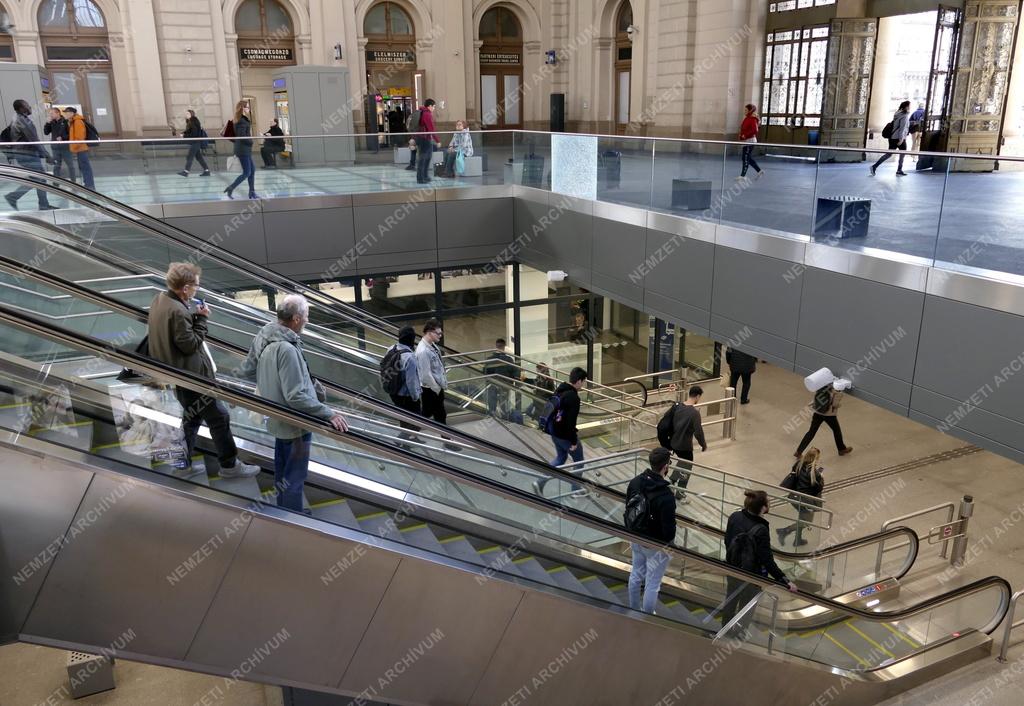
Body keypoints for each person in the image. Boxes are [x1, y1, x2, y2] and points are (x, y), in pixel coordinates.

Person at [147, 262, 259, 479]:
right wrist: (201, 319)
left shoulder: (160, 299)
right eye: (195, 286)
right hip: (193, 377)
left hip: (178, 375)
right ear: (185, 288)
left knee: (191, 418)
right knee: (220, 417)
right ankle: (229, 466)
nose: (197, 289)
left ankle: (182, 465)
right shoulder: (178, 310)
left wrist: (193, 316)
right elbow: (189, 344)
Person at [241, 294, 349, 512]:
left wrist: (271, 385)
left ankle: (285, 509)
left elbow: (247, 370)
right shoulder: (287, 350)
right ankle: (293, 516)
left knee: (283, 470)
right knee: (295, 475)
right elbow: (296, 396)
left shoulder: (265, 334)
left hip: (277, 418)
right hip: (295, 424)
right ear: (297, 319)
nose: (308, 321)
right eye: (307, 316)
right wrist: (329, 414)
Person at [721, 490, 799, 630]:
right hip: (752, 576)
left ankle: (725, 628)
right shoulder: (761, 529)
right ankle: (738, 631)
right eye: (768, 502)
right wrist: (784, 580)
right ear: (763, 507)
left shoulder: (734, 516)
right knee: (747, 605)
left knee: (731, 599)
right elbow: (767, 560)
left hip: (732, 568)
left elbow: (727, 540)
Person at [626, 447, 677, 614]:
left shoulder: (635, 482)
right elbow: (669, 532)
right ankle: (648, 616)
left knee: (636, 574)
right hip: (656, 546)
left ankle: (634, 609)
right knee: (652, 583)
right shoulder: (666, 496)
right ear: (665, 467)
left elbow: (628, 508)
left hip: (635, 537)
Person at [5, 99, 56, 211]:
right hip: (27, 154)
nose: (30, 107)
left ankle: (41, 204)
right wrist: (47, 156)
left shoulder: (18, 118)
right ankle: (41, 205)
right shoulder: (22, 121)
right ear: (21, 108)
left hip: (24, 153)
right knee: (40, 178)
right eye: (27, 105)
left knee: (38, 179)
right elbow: (34, 140)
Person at [662, 386, 707, 502]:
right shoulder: (694, 413)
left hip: (673, 442)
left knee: (682, 462)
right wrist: (703, 444)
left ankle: (671, 481)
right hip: (684, 445)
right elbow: (698, 432)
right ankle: (680, 492)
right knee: (687, 467)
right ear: (697, 396)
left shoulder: (678, 406)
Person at [777, 447, 825, 548]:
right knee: (806, 521)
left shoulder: (798, 464)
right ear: (815, 459)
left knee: (802, 518)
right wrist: (821, 477)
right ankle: (785, 531)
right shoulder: (814, 473)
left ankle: (797, 540)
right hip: (805, 500)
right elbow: (818, 489)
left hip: (794, 497)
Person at [795, 383, 853, 458]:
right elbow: (835, 405)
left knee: (811, 432)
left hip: (817, 413)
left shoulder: (821, 389)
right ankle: (841, 449)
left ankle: (799, 451)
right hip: (829, 416)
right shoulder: (837, 393)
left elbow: (816, 400)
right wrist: (839, 404)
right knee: (836, 430)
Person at [416, 318, 448, 424]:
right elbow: (425, 374)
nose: (440, 335)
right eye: (438, 333)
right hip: (431, 390)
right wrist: (437, 388)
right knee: (438, 415)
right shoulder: (423, 351)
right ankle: (447, 439)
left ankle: (408, 434)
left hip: (433, 388)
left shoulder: (432, 345)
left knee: (432, 414)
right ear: (429, 333)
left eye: (441, 333)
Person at [385, 325, 422, 418]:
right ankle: (405, 433)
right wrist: (415, 397)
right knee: (416, 423)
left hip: (393, 392)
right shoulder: (410, 357)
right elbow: (411, 381)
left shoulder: (391, 348)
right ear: (412, 339)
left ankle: (405, 431)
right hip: (406, 396)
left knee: (404, 419)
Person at [224, 100, 256, 199]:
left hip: (243, 148)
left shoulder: (241, 119)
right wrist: (251, 142)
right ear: (242, 108)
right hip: (243, 149)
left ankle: (252, 192)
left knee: (252, 170)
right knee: (247, 172)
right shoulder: (241, 120)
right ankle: (231, 187)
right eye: (247, 107)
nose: (248, 109)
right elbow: (242, 135)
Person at [871, 100, 911, 177]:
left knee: (888, 154)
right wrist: (901, 139)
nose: (910, 107)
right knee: (902, 153)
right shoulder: (905, 116)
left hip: (892, 137)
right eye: (909, 106)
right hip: (899, 138)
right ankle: (899, 170)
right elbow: (902, 128)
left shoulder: (897, 114)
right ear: (906, 107)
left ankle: (874, 166)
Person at [63, 107, 95, 190]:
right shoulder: (73, 122)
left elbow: (80, 137)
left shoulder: (77, 122)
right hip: (79, 149)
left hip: (81, 149)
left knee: (85, 167)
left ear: (71, 113)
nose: (65, 114)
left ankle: (89, 186)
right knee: (83, 167)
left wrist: (74, 147)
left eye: (66, 113)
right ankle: (87, 184)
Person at [485, 337, 517, 416]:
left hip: (492, 384)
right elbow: (514, 373)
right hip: (505, 385)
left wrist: (488, 382)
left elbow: (485, 372)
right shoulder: (509, 360)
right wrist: (510, 383)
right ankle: (505, 417)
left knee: (492, 403)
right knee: (504, 403)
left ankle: (492, 416)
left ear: (496, 346)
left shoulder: (489, 359)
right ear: (504, 346)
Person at [43, 107, 75, 182]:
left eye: (52, 113)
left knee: (70, 166)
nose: (50, 115)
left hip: (65, 148)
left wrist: (63, 138)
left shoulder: (65, 122)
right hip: (55, 148)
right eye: (50, 114)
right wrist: (47, 123)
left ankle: (73, 182)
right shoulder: (52, 122)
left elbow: (71, 134)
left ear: (58, 113)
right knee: (56, 166)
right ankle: (56, 183)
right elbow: (46, 132)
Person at [413, 98, 441, 184]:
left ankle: (424, 176)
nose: (434, 108)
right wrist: (437, 140)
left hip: (422, 138)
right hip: (424, 139)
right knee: (423, 158)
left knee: (427, 157)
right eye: (434, 106)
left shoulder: (422, 112)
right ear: (430, 106)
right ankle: (421, 178)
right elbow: (431, 129)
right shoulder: (427, 114)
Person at [178, 109, 211, 178]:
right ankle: (207, 171)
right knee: (199, 157)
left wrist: (184, 135)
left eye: (188, 114)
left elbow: (194, 133)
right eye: (186, 114)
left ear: (191, 114)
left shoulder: (193, 121)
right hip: (196, 141)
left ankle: (186, 171)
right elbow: (191, 131)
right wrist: (184, 133)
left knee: (190, 156)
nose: (186, 115)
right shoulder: (191, 121)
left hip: (196, 142)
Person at [737, 103, 764, 181]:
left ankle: (742, 176)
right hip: (746, 140)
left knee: (745, 158)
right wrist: (741, 135)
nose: (744, 111)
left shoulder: (752, 119)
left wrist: (745, 136)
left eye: (746, 110)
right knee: (747, 158)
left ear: (750, 110)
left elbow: (755, 130)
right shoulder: (747, 118)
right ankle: (759, 171)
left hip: (750, 140)